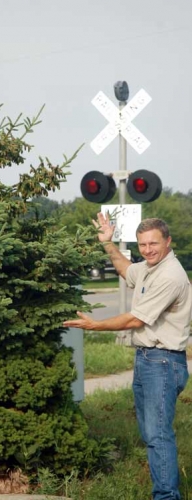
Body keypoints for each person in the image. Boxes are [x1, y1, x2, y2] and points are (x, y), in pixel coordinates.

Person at [63, 213, 192, 500]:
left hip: (163, 362)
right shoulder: (149, 267)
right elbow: (126, 270)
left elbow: (136, 320)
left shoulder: (170, 276)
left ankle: (167, 496)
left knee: (158, 436)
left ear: (168, 242)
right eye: (143, 244)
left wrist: (95, 325)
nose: (147, 249)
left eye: (153, 244)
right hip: (147, 359)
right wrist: (108, 243)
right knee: (151, 434)